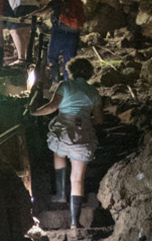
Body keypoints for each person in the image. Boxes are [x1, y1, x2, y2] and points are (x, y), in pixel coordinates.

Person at [31, 57, 102, 229]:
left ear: (71, 71)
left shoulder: (65, 86)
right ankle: (74, 222)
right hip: (83, 131)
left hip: (63, 129)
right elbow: (99, 119)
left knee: (59, 151)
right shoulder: (93, 92)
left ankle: (61, 193)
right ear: (89, 74)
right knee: (77, 179)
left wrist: (33, 113)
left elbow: (52, 107)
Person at [44, 0, 86, 79]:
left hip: (59, 33)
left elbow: (41, 12)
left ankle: (55, 80)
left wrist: (28, 16)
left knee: (52, 56)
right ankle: (68, 83)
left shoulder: (56, 2)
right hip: (73, 34)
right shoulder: (73, 3)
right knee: (69, 60)